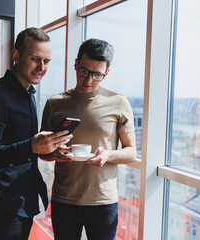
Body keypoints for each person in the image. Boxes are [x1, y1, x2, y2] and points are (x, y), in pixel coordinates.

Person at [0, 27, 73, 240]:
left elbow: (18, 146)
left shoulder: (28, 94)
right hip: (1, 208)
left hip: (21, 202)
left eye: (46, 61)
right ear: (16, 55)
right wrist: (31, 147)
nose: (41, 67)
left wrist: (47, 152)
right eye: (35, 59)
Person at [40, 38, 137, 240]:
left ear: (106, 73)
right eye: (84, 71)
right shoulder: (55, 103)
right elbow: (43, 152)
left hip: (103, 203)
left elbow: (131, 152)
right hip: (64, 201)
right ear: (76, 64)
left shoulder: (118, 103)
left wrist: (108, 155)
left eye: (97, 75)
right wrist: (53, 153)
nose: (88, 80)